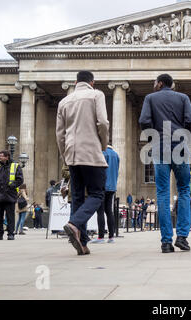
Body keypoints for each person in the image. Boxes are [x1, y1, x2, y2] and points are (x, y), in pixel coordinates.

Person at [139, 73, 191, 254]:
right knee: (185, 191)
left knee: (163, 193)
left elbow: (144, 121)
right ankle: (182, 237)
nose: (154, 85)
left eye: (155, 82)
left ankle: (166, 242)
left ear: (161, 83)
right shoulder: (183, 98)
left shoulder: (150, 98)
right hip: (180, 147)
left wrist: (153, 137)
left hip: (160, 147)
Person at [57, 71, 110, 256]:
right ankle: (74, 224)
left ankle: (82, 242)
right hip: (91, 152)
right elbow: (103, 122)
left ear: (75, 82)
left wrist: (65, 154)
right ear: (92, 82)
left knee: (78, 197)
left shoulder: (64, 101)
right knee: (97, 194)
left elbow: (59, 133)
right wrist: (103, 144)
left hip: (72, 153)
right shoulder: (96, 95)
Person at [0, 150, 24, 241]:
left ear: (7, 157)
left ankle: (11, 234)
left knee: (10, 217)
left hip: (9, 196)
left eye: (1, 156)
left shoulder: (15, 166)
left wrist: (11, 186)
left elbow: (20, 180)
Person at [92, 144, 119, 244]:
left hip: (102, 185)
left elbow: (99, 170)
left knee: (100, 211)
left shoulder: (103, 153)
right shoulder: (116, 155)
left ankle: (101, 236)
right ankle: (111, 236)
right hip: (112, 186)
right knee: (109, 211)